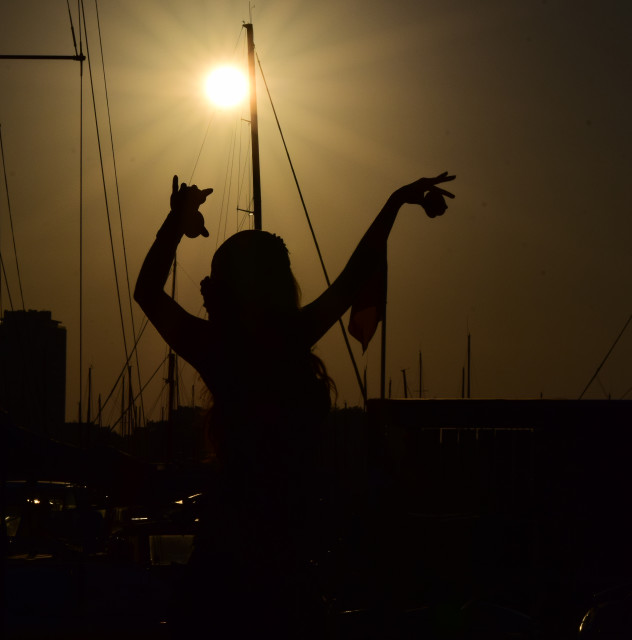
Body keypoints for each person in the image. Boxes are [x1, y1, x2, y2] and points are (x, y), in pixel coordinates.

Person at [134, 172, 455, 637]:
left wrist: (175, 224)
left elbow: (147, 292)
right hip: (281, 551)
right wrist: (394, 203)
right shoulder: (286, 340)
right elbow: (354, 275)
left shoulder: (220, 349)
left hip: (232, 553)